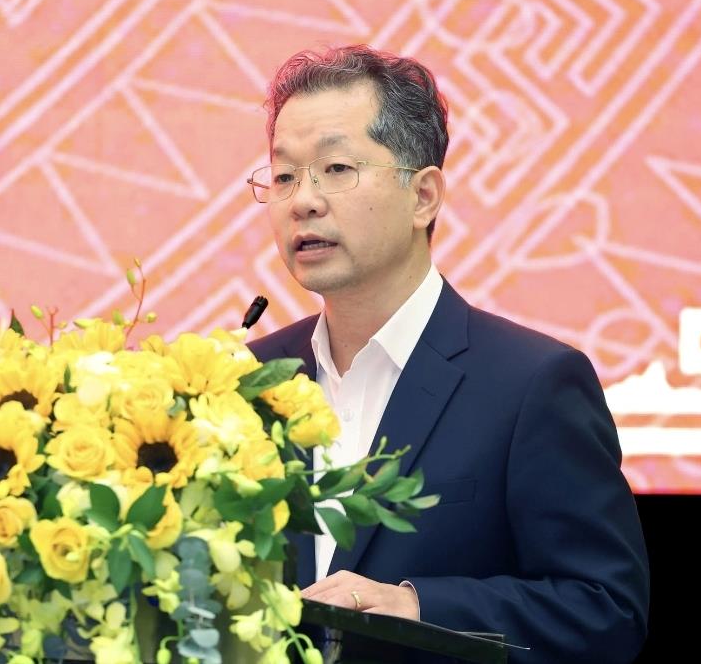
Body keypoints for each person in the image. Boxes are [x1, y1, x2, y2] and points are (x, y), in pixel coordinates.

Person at [245, 45, 650, 664]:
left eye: (336, 168)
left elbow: (605, 609)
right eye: (283, 177)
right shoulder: (245, 382)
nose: (303, 200)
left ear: (424, 196)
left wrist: (419, 606)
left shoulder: (531, 384)